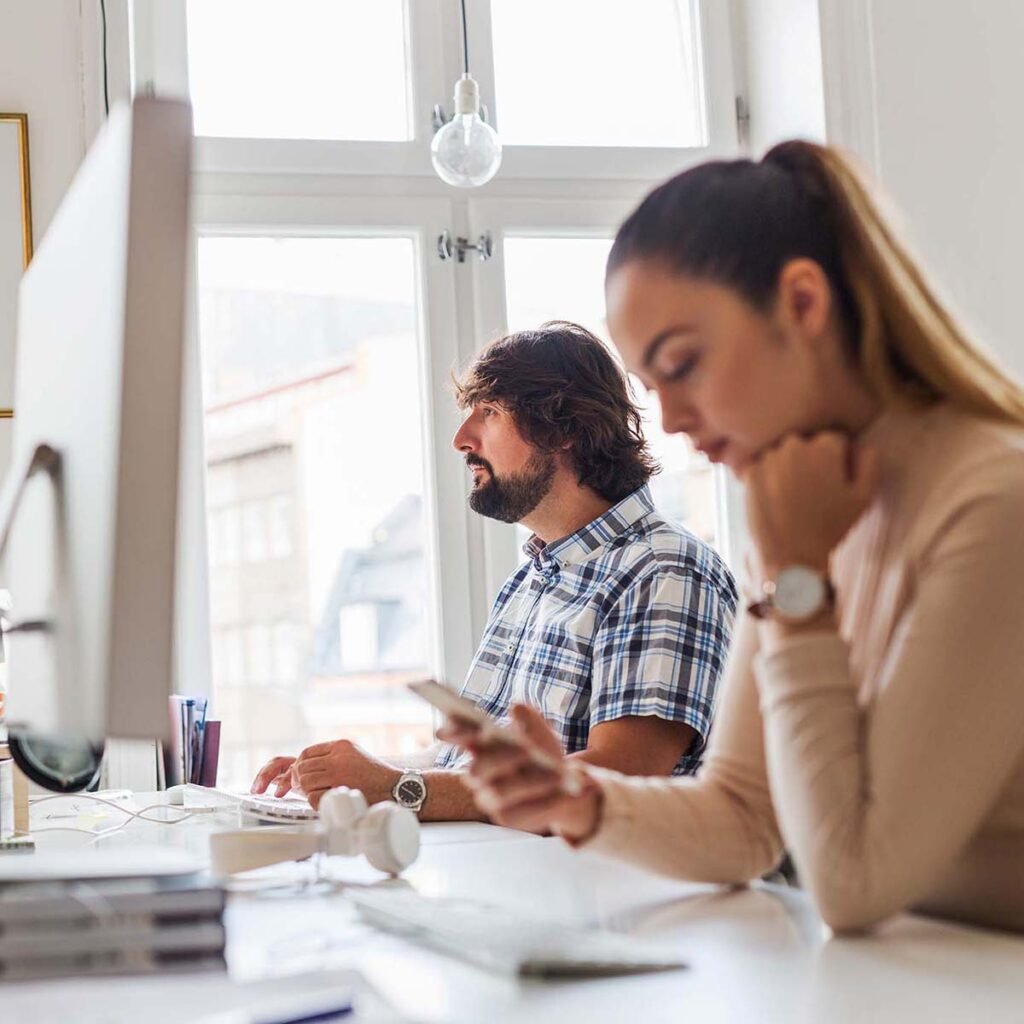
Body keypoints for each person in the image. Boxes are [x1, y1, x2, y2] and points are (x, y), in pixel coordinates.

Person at [448, 141, 1024, 934]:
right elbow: (744, 818)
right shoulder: (803, 509)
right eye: (654, 386)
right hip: (918, 979)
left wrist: (797, 583)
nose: (675, 422)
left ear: (802, 304)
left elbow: (852, 881)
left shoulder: (993, 499)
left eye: (685, 363)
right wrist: (574, 801)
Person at [251, 321, 737, 821]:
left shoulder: (664, 569)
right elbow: (469, 769)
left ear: (564, 429)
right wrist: (349, 776)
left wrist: (397, 788)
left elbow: (621, 775)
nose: (462, 439)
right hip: (509, 881)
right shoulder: (528, 581)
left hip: (597, 892)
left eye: (489, 412)